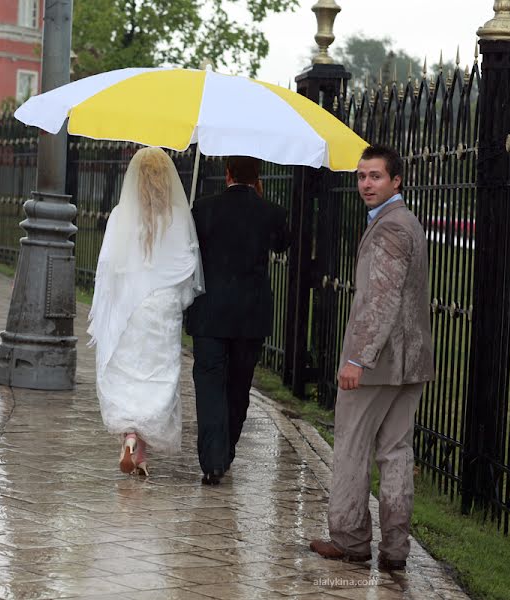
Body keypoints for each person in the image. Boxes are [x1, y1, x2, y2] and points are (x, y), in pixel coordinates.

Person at [310, 144, 435, 572]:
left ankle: (350, 540)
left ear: (396, 181)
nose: (365, 183)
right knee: (397, 452)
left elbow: (380, 300)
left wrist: (357, 359)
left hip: (378, 363)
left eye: (375, 176)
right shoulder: (408, 223)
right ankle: (396, 550)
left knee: (351, 446)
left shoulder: (389, 229)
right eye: (362, 176)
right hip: (411, 362)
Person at [88, 147, 204, 476]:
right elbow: (187, 268)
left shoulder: (120, 215)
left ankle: (130, 438)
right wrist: (177, 299)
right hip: (162, 309)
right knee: (156, 375)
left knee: (128, 374)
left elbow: (108, 266)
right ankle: (141, 452)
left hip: (131, 308)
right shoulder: (179, 217)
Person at [186, 156, 289, 485]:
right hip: (250, 315)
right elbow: (284, 245)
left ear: (227, 173)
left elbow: (189, 251)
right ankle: (226, 450)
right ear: (258, 177)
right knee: (239, 385)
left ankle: (213, 460)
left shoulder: (202, 209)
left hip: (210, 313)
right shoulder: (271, 212)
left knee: (209, 383)